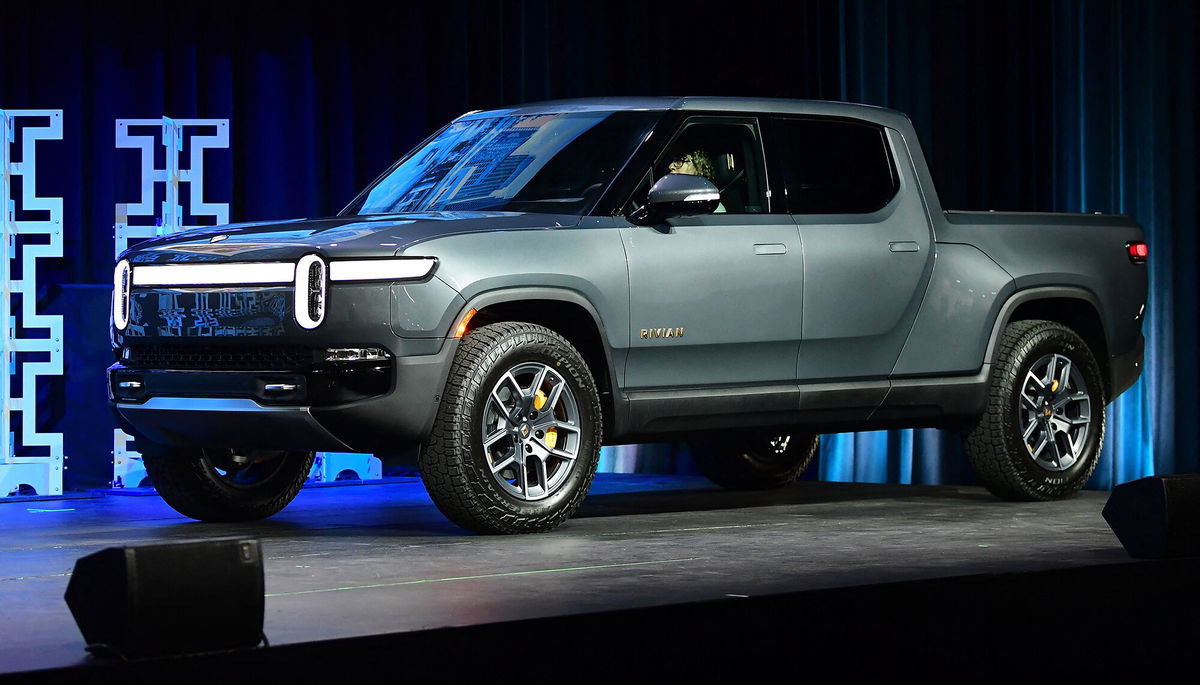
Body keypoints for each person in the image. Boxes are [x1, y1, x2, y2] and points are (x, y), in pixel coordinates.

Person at [665, 148, 725, 213]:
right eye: (671, 161)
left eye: (678, 161)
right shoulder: (671, 204)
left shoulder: (713, 208)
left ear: (697, 167)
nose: (670, 166)